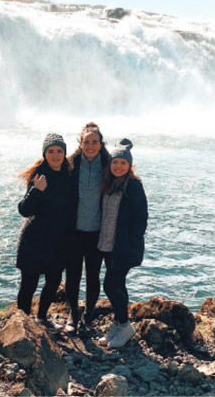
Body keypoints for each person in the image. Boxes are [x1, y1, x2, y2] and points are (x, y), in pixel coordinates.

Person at [16, 132, 76, 331]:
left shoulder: (69, 175)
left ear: (64, 153)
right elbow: (25, 210)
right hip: (34, 240)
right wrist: (36, 190)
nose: (55, 155)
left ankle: (42, 318)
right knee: (29, 284)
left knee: (53, 282)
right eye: (51, 151)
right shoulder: (39, 176)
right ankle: (23, 324)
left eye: (59, 151)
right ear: (45, 153)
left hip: (58, 240)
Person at [97, 138, 148, 348]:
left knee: (110, 284)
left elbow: (141, 217)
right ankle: (119, 324)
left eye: (123, 163)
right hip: (108, 244)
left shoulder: (133, 185)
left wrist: (131, 241)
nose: (118, 166)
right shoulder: (110, 183)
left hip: (123, 246)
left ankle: (125, 325)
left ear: (129, 166)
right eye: (115, 162)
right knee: (118, 285)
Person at [64, 122, 111, 333]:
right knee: (72, 275)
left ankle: (89, 317)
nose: (90, 146)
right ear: (80, 143)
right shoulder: (70, 165)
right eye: (86, 142)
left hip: (97, 232)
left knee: (93, 276)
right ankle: (73, 314)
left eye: (94, 142)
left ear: (101, 144)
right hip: (73, 232)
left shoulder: (110, 166)